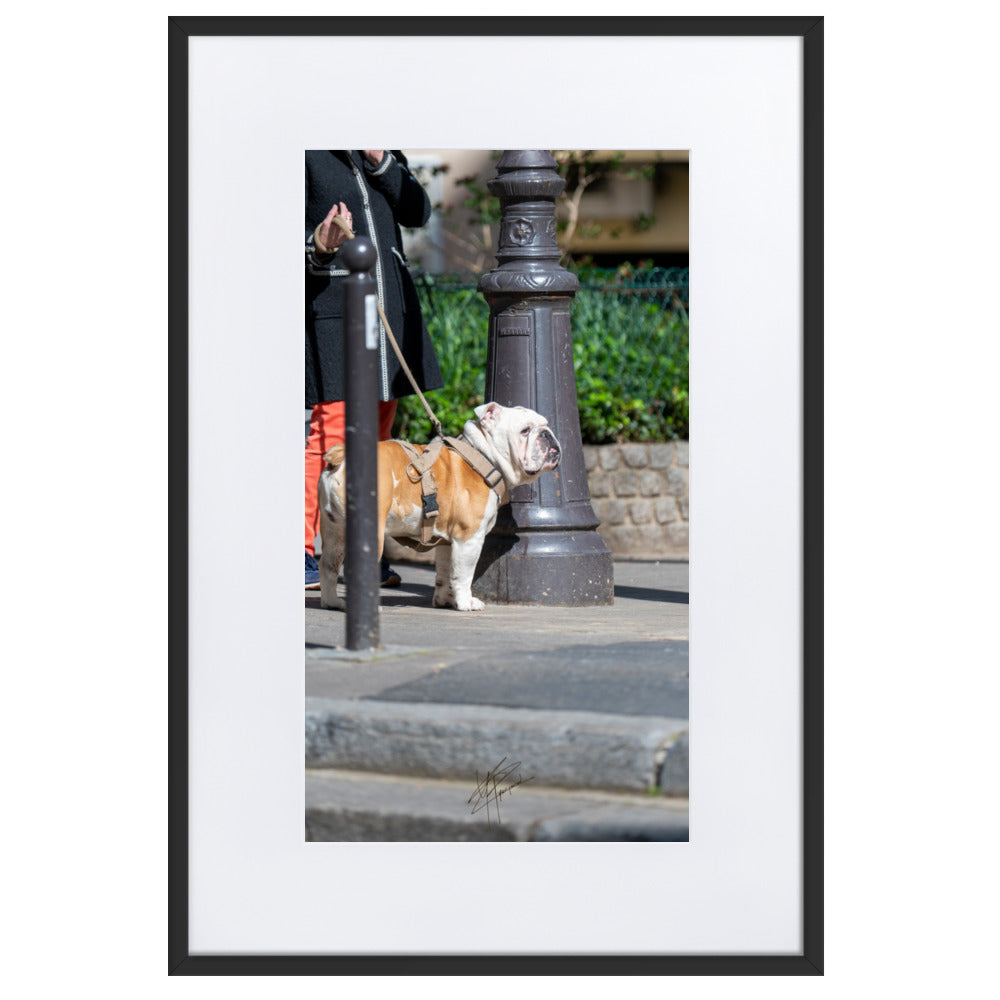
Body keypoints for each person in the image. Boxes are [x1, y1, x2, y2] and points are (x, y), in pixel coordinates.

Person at [304, 150, 443, 589]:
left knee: (379, 443)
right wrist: (319, 244)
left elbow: (418, 210)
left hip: (390, 321)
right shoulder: (305, 155)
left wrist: (381, 160)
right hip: (336, 314)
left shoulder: (381, 154)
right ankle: (301, 553)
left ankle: (365, 553)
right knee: (331, 435)